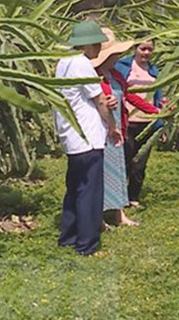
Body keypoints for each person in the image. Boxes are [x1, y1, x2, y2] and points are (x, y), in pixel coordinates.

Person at [55, 20, 122, 256]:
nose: (98, 50)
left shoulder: (63, 62)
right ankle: (87, 244)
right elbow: (100, 101)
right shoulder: (81, 64)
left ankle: (69, 236)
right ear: (89, 45)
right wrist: (112, 126)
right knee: (90, 192)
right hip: (88, 137)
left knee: (74, 188)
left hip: (71, 136)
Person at [91, 28, 161, 226]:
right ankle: (99, 215)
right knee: (102, 173)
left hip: (117, 130)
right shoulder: (95, 76)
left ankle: (119, 214)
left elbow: (130, 96)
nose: (118, 57)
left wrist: (155, 111)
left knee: (117, 171)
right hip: (102, 131)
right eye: (114, 54)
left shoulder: (115, 75)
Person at [115, 37, 165, 206]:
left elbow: (158, 96)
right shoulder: (122, 67)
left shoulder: (154, 70)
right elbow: (122, 91)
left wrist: (161, 116)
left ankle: (133, 197)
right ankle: (119, 196)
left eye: (150, 49)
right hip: (129, 120)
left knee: (140, 162)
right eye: (143, 49)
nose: (146, 53)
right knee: (125, 159)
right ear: (135, 48)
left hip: (148, 121)